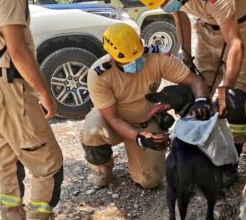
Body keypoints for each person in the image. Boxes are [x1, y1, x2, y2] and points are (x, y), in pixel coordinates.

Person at [135, 0, 246, 161]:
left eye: (167, 0)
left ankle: (234, 154)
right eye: (162, 4)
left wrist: (226, 88)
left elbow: (235, 43)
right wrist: (186, 55)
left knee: (234, 96)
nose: (166, 6)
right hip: (208, 30)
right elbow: (181, 18)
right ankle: (203, 149)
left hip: (241, 28)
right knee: (199, 92)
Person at [0, 0, 63, 219]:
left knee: (8, 157)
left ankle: (11, 214)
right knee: (47, 161)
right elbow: (17, 50)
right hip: (9, 88)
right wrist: (43, 92)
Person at [80, 23, 210, 189]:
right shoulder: (99, 74)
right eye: (128, 60)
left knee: (151, 181)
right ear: (112, 56)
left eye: (138, 56)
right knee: (91, 131)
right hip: (113, 120)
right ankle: (103, 168)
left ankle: (138, 162)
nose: (135, 62)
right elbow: (112, 119)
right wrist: (139, 138)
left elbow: (195, 81)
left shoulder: (157, 57)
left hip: (145, 119)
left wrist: (201, 101)